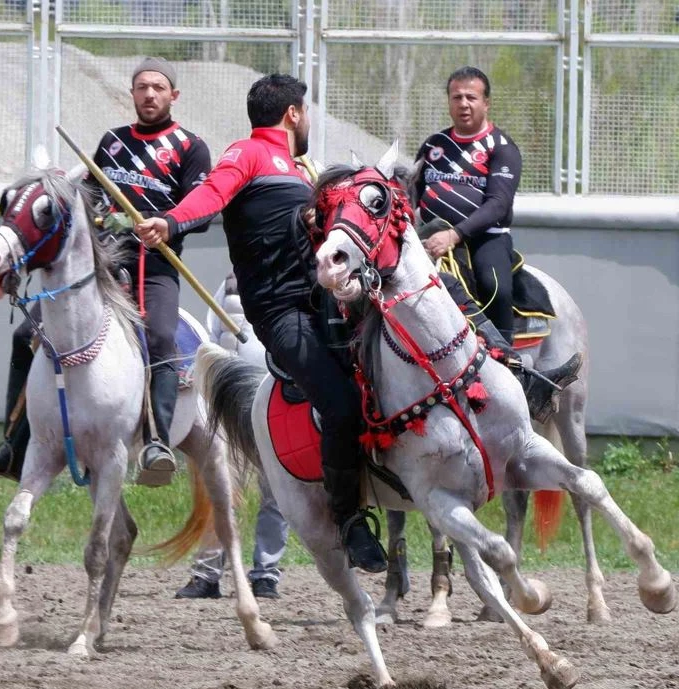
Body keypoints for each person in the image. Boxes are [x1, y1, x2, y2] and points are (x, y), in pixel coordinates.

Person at [135, 73, 387, 574]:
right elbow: (211, 193)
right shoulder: (249, 153)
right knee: (339, 403)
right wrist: (171, 221)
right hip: (281, 314)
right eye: (307, 111)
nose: (309, 119)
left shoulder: (301, 170)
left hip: (328, 303)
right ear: (293, 114)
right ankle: (349, 520)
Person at [0, 56, 211, 486]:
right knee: (27, 335)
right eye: (141, 87)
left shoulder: (191, 147)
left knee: (159, 337)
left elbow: (200, 211)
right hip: (99, 268)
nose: (149, 94)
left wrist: (163, 222)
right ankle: (13, 446)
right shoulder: (113, 142)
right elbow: (87, 199)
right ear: (132, 94)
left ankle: (155, 442)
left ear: (173, 95)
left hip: (154, 267)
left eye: (158, 87)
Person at [414, 65, 582, 422]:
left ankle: (513, 372)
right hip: (429, 238)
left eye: (471, 97)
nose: (463, 104)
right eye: (456, 97)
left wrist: (455, 234)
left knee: (493, 287)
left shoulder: (502, 148)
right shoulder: (433, 146)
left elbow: (498, 205)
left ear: (486, 102)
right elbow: (412, 193)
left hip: (483, 238)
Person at [176, 273, 289, 600]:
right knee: (218, 485)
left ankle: (266, 574)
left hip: (274, 400)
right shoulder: (227, 285)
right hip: (226, 404)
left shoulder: (293, 278)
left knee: (275, 491)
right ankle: (207, 574)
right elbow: (210, 339)